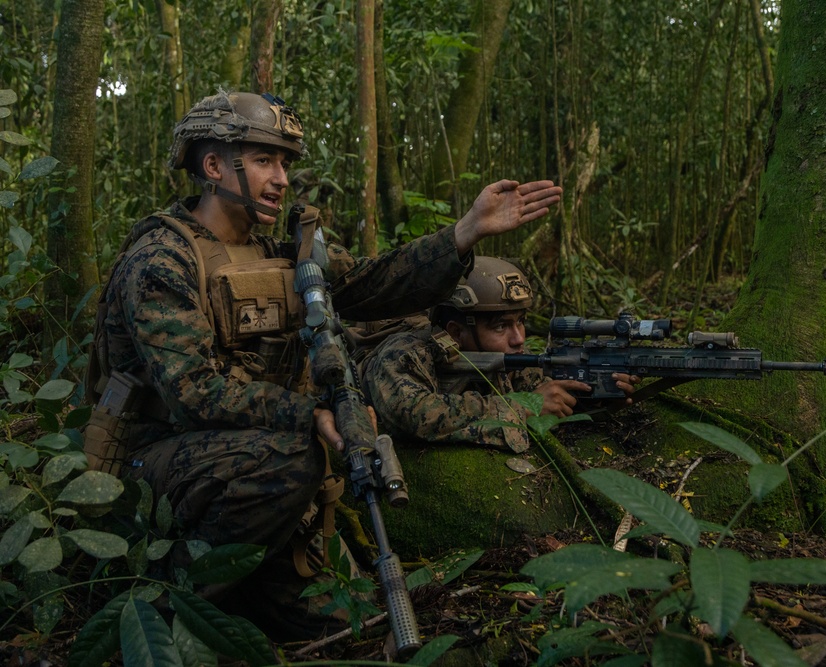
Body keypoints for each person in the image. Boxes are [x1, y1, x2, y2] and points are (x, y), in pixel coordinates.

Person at [83, 90, 561, 642]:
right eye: (264, 160)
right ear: (213, 166)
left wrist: (463, 233)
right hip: (156, 464)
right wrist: (311, 415)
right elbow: (192, 394)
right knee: (292, 459)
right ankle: (164, 598)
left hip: (250, 457)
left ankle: (254, 577)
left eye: (284, 162)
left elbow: (373, 285)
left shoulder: (282, 252)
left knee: (351, 625)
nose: (282, 178)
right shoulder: (162, 260)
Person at [360, 256, 639, 453]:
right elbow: (417, 415)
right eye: (501, 326)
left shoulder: (509, 356)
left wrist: (599, 394)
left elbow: (548, 398)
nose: (518, 338)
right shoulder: (403, 356)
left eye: (520, 321)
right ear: (456, 332)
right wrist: (522, 409)